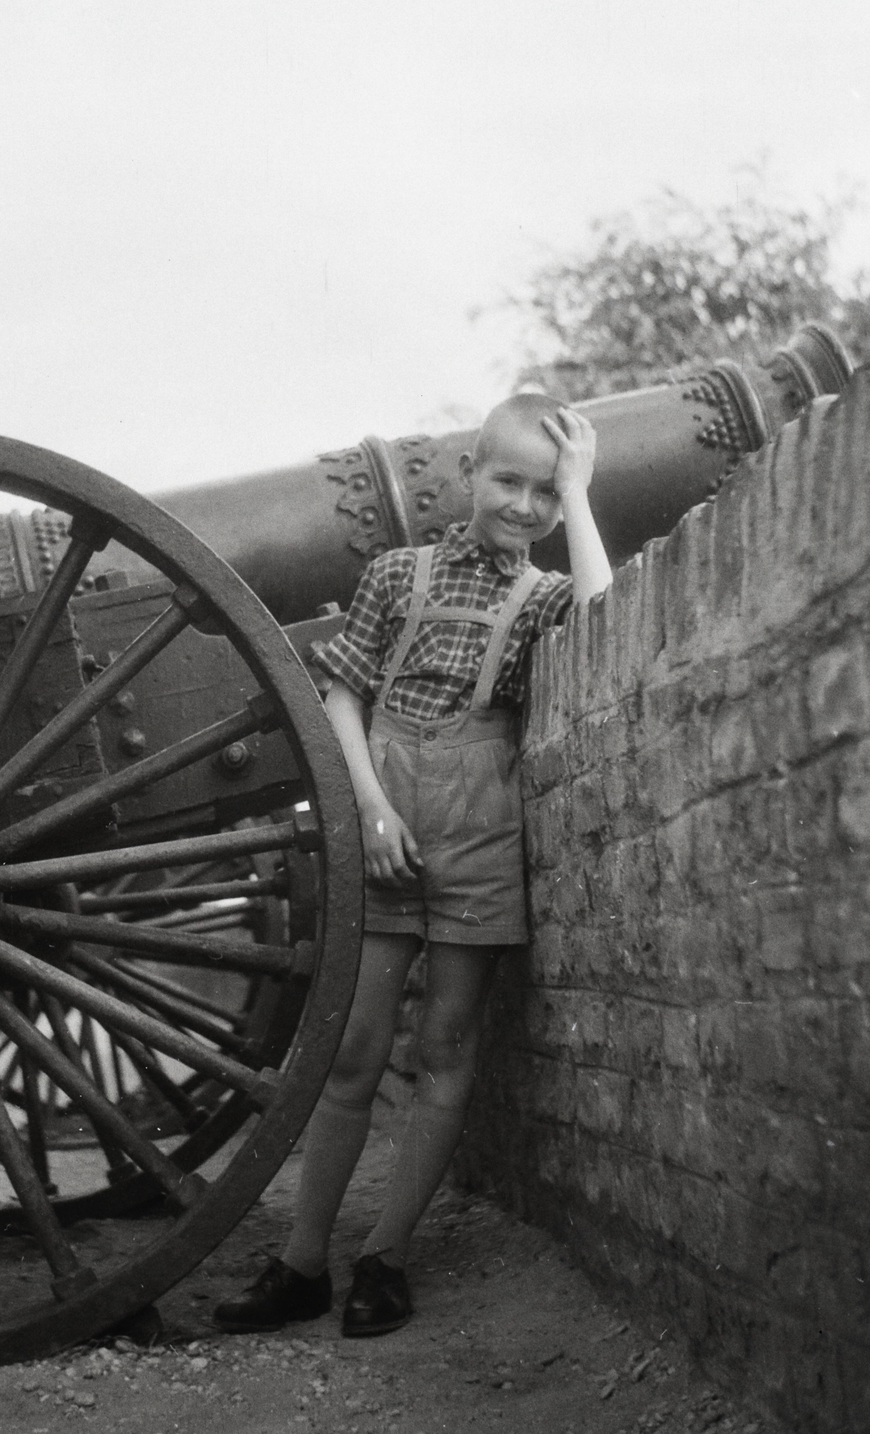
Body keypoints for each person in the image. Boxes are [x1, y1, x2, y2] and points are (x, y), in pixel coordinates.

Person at [214, 385, 613, 1338]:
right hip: (387, 825)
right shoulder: (399, 574)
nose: (522, 506)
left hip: (480, 835)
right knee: (354, 1053)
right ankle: (304, 1261)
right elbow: (343, 695)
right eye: (507, 480)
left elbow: (606, 616)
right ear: (470, 474)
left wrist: (586, 491)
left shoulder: (546, 597)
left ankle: (385, 1258)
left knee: (446, 1049)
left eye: (544, 494)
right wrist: (371, 807)